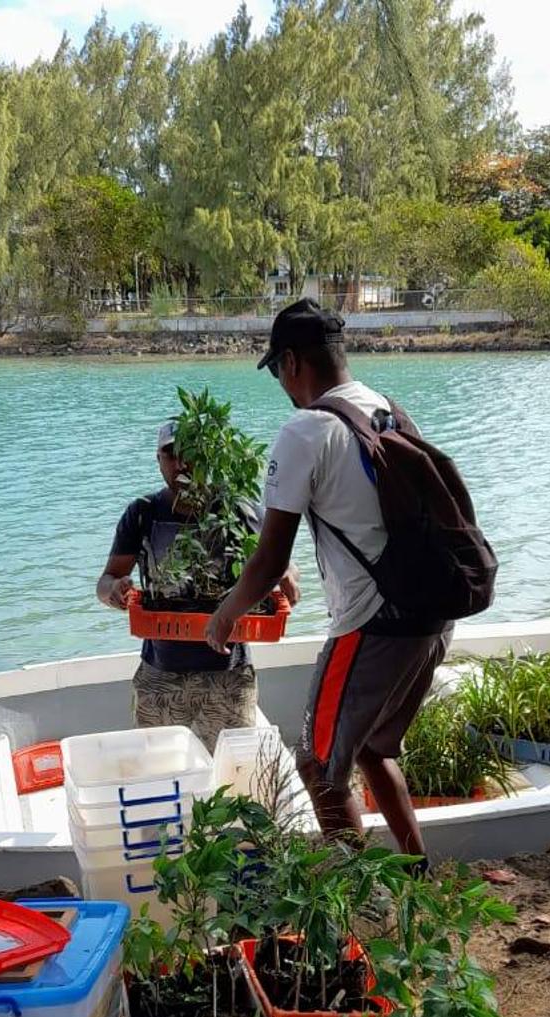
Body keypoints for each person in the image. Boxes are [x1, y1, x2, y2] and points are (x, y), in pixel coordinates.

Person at [204, 299, 453, 860]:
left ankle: (365, 900)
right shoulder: (389, 411)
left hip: (372, 624)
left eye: (275, 371)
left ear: (292, 362)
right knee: (373, 749)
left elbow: (269, 561)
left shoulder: (306, 430)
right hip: (432, 615)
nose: (280, 384)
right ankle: (416, 878)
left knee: (317, 767)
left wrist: (225, 615)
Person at [97, 420, 299, 752]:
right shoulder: (142, 513)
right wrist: (115, 590)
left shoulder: (238, 509)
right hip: (159, 676)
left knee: (232, 781)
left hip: (228, 676)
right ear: (158, 459)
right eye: (170, 454)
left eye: (190, 453)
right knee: (159, 776)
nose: (181, 464)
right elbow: (105, 582)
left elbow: (277, 561)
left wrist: (288, 575)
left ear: (210, 456)